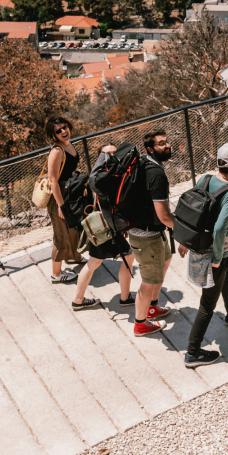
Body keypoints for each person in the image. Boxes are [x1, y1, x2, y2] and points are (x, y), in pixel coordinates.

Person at [178, 143, 228, 368]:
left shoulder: (204, 179)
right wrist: (218, 257)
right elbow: (221, 228)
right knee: (207, 304)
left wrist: (184, 241)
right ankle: (192, 352)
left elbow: (191, 209)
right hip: (214, 252)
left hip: (207, 245)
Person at [71, 145, 137, 311]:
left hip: (100, 227)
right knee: (128, 257)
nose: (112, 155)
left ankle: (78, 299)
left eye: (114, 152)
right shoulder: (105, 175)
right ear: (101, 156)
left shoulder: (101, 174)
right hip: (107, 227)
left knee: (95, 262)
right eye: (107, 153)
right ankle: (125, 297)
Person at [124, 131, 176, 337]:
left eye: (167, 141)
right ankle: (140, 323)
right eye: (162, 143)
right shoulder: (156, 174)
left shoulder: (145, 163)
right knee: (148, 280)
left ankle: (153, 307)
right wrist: (183, 228)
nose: (168, 145)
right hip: (147, 236)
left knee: (165, 262)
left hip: (153, 231)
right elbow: (164, 215)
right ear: (150, 149)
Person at [45, 116, 85, 284]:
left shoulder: (69, 145)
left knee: (74, 228)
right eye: (58, 130)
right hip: (59, 196)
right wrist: (61, 205)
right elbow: (53, 180)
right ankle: (56, 274)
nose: (63, 131)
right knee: (61, 235)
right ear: (53, 135)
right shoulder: (57, 151)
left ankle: (74, 257)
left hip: (71, 193)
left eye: (65, 127)